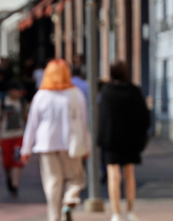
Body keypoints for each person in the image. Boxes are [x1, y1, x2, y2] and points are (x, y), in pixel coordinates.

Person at [20, 59, 90, 221]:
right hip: (70, 144)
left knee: (52, 183)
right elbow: (83, 122)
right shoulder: (76, 94)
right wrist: (87, 146)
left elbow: (32, 124)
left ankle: (54, 217)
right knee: (75, 178)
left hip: (47, 144)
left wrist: (26, 149)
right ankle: (70, 200)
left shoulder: (41, 95)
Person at [98, 61, 150, 221]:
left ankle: (115, 213)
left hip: (111, 140)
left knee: (113, 175)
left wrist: (100, 140)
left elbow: (102, 118)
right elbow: (145, 117)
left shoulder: (107, 91)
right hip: (130, 140)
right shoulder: (134, 91)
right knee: (129, 174)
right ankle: (130, 210)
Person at [0, 80, 28, 197]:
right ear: (10, 91)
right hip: (5, 136)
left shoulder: (22, 103)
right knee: (7, 162)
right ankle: (9, 178)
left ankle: (15, 184)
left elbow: (26, 118)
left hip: (19, 135)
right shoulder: (3, 103)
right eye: (16, 90)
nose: (18, 93)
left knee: (17, 160)